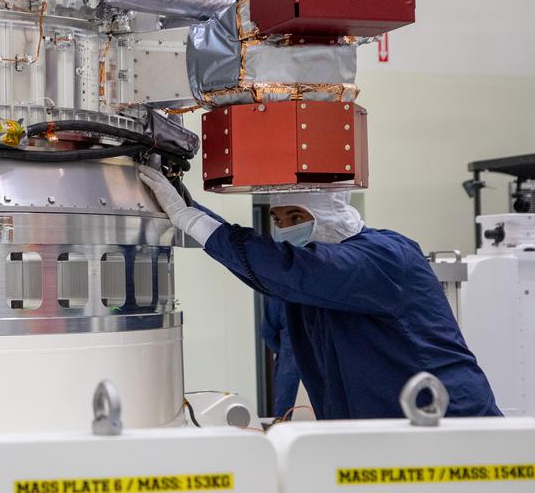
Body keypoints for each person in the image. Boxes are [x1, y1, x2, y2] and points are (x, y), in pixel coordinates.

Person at [138, 166, 500, 420]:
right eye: (278, 221)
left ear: (330, 212)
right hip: (381, 435)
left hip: (451, 425)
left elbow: (284, 269)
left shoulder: (384, 256)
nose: (284, 231)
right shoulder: (312, 277)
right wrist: (186, 207)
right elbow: (262, 272)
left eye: (296, 217)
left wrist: (192, 220)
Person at [262, 296, 301, 418]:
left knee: (286, 426)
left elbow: (268, 333)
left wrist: (286, 352)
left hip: (290, 369)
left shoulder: (280, 292)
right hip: (327, 370)